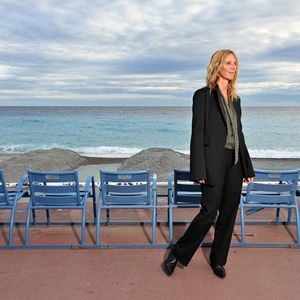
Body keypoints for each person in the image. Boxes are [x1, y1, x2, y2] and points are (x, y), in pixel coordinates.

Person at [161, 49, 254, 279]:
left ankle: (218, 261)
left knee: (229, 213)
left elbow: (239, 135)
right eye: (228, 63)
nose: (233, 67)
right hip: (213, 162)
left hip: (234, 162)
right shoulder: (202, 96)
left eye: (235, 63)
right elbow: (198, 133)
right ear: (217, 66)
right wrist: (198, 169)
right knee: (209, 211)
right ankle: (178, 254)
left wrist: (247, 166)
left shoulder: (236, 100)